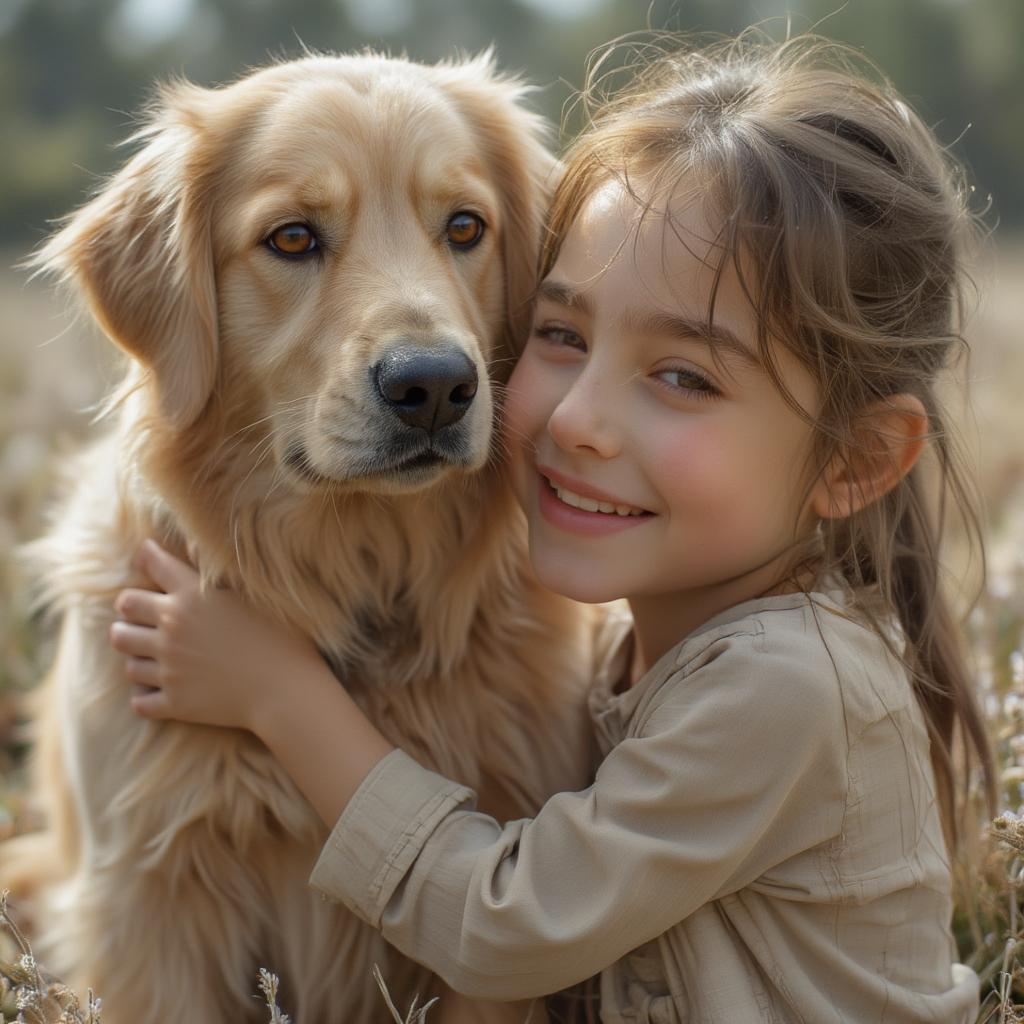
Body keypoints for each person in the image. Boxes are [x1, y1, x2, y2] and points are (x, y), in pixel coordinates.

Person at [107, 33, 994, 1023]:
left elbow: (505, 933)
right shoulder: (637, 633)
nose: (573, 420)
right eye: (562, 337)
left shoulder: (784, 686)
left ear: (855, 461)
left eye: (684, 376)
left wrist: (280, 693)